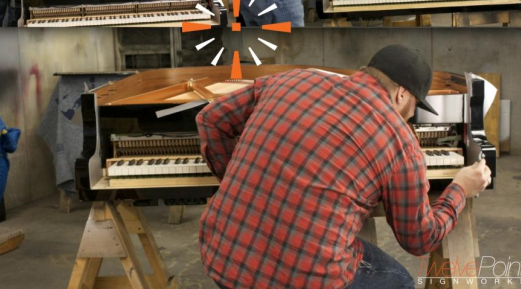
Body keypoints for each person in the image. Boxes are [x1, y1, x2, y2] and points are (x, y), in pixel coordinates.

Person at [197, 44, 491, 289]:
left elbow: (210, 119)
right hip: (307, 280)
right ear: (401, 93)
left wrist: (240, 180)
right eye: (414, 106)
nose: (411, 116)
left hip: (224, 258)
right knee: (401, 281)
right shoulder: (399, 141)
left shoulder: (292, 79)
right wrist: (460, 190)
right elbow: (419, 238)